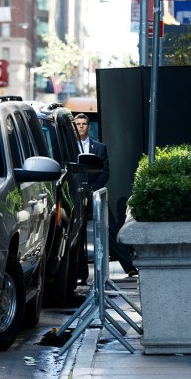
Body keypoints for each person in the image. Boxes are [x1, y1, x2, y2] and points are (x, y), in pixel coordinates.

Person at [74, 113, 137, 278]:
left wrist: (93, 189)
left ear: (89, 127)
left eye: (83, 124)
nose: (80, 126)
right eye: (78, 124)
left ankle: (129, 266)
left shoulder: (99, 147)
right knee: (77, 235)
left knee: (110, 229)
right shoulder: (70, 148)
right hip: (77, 197)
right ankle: (80, 274)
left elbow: (105, 172)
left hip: (95, 195)